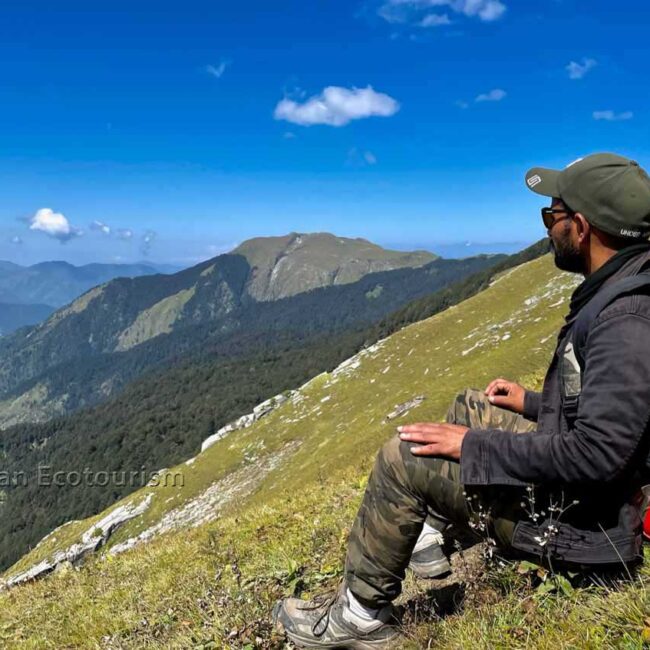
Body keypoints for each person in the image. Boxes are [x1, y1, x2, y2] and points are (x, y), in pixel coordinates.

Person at [273, 153, 650, 649]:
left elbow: (598, 455)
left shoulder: (626, 321)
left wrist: (474, 447)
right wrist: (532, 403)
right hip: (601, 504)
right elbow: (618, 418)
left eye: (551, 215)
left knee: (404, 455)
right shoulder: (624, 289)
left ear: (581, 228)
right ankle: (429, 539)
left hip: (588, 534)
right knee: (474, 403)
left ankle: (358, 618)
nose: (547, 228)